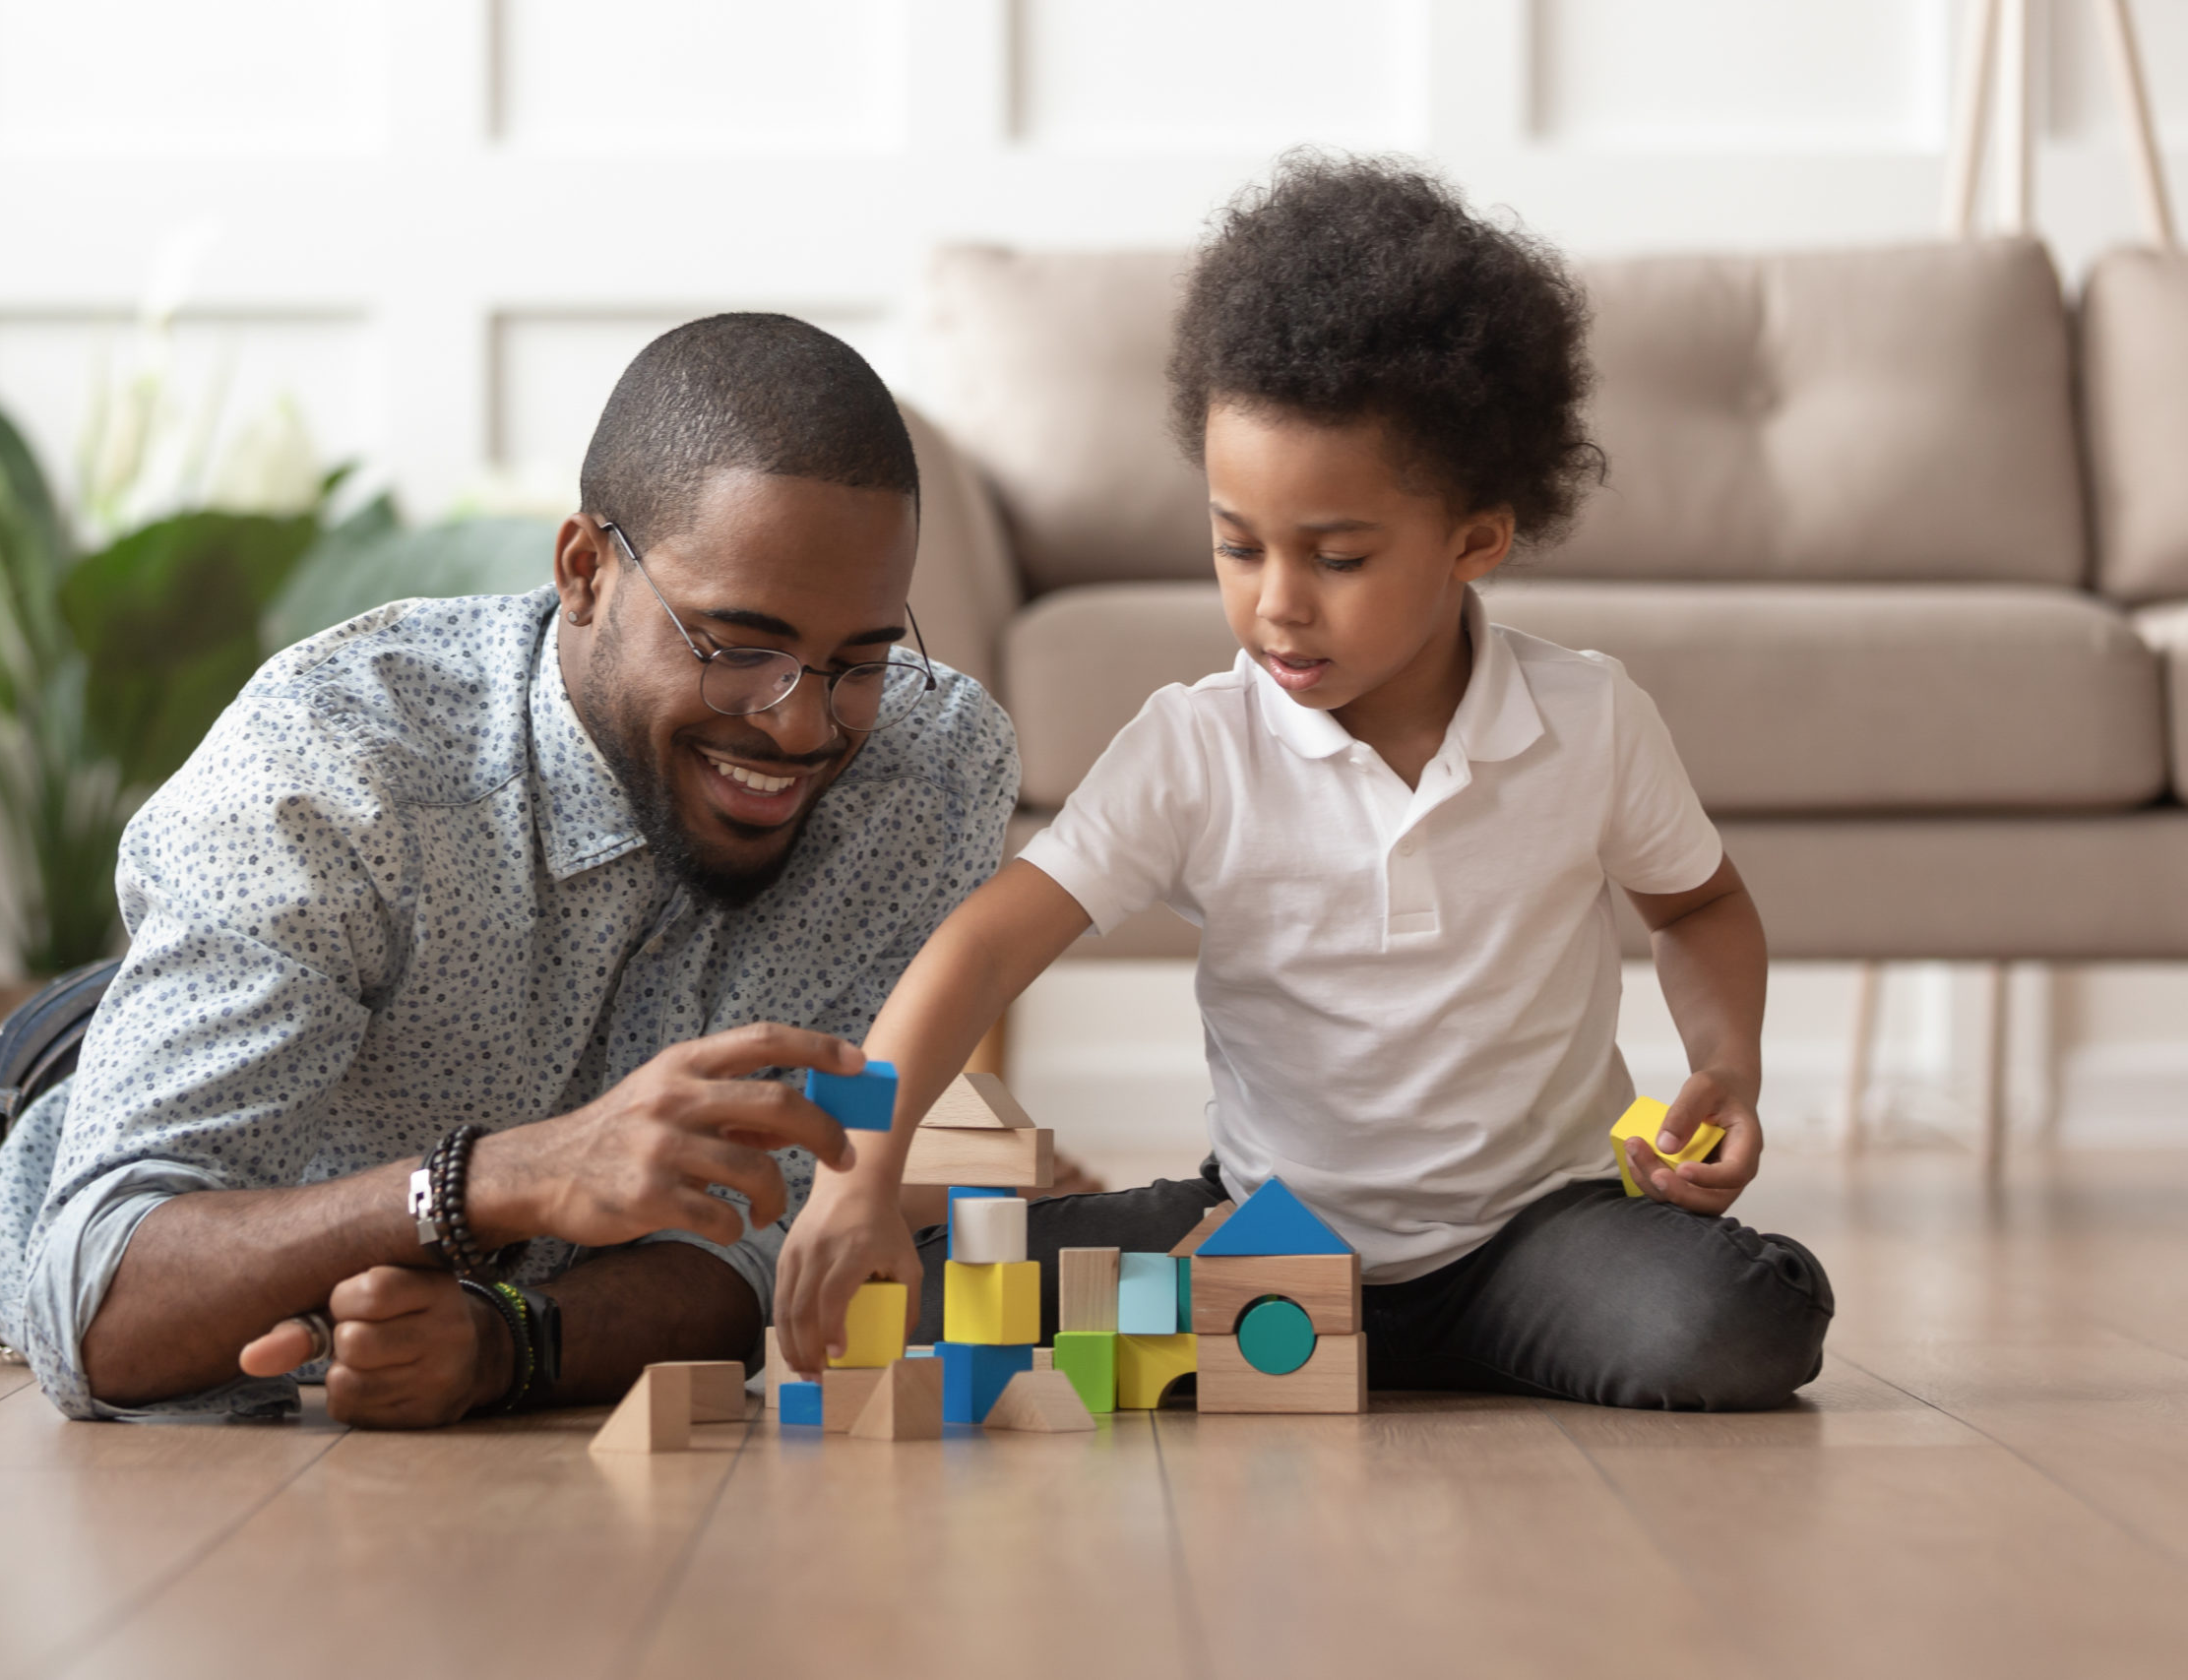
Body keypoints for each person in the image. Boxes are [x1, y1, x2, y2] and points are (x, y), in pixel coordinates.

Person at [0, 313, 1018, 1427]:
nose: (798, 721)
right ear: (586, 569)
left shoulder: (925, 776)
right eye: (738, 639)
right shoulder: (338, 763)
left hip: (381, 1188)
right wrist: (490, 1180)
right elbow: (94, 1302)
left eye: (855, 659)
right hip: (71, 1128)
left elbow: (756, 1235)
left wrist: (510, 1338)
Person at [774, 156, 1833, 1410]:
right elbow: (983, 950)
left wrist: (1730, 1066)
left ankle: (1340, 1352)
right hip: (1270, 1233)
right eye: (1236, 545)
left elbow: (1696, 906)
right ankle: (1297, 1334)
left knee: (1734, 1327)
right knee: (938, 1286)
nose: (1275, 602)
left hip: (1539, 1239)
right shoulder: (1196, 746)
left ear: (1475, 539)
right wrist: (856, 1180)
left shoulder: (1586, 719)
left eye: (1336, 555)